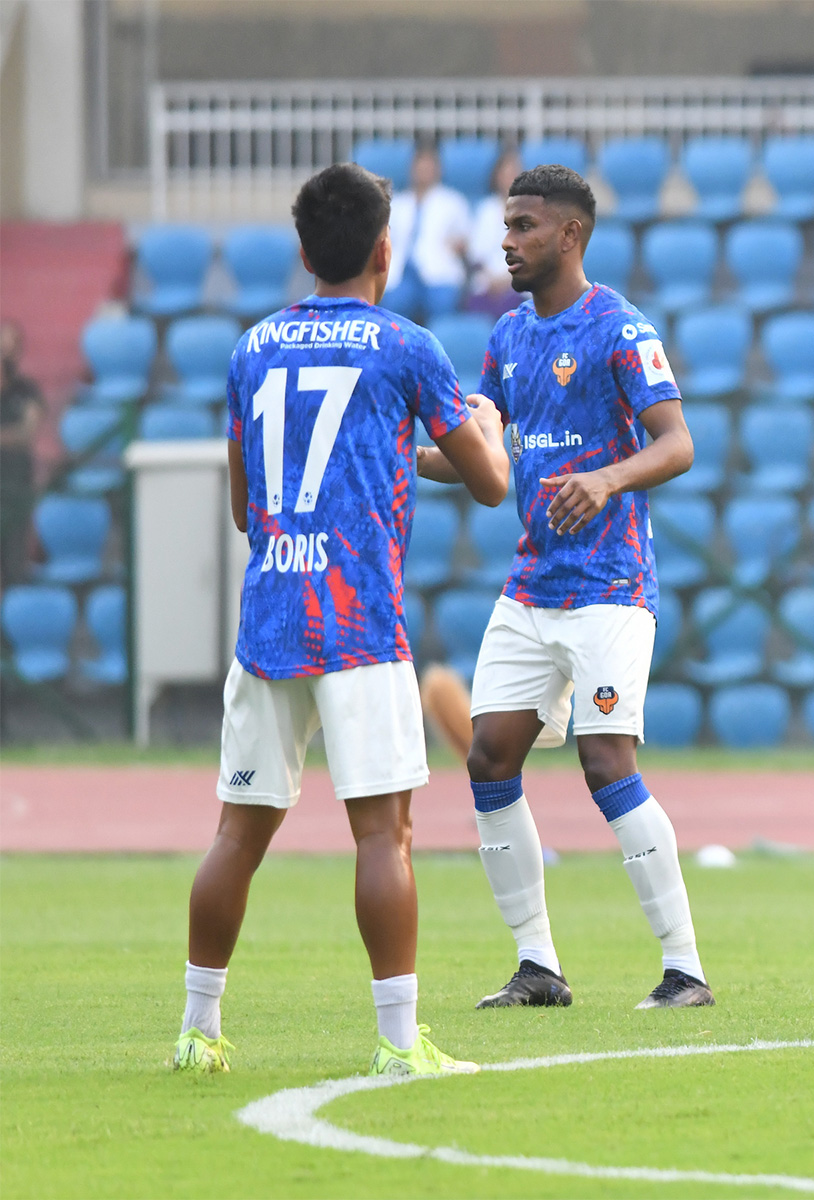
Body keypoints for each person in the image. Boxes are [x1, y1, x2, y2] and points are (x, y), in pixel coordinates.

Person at [172, 162, 511, 1076]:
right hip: (357, 623)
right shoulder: (406, 347)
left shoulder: (251, 350)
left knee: (236, 834)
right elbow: (489, 484)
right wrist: (484, 427)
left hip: (271, 618)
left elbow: (246, 507)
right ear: (384, 249)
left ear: (301, 252)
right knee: (383, 835)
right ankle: (400, 1045)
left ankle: (198, 1029)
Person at [417, 164, 710, 1011]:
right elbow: (482, 456)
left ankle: (685, 969)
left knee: (604, 759)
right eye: (506, 226)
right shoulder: (508, 336)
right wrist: (403, 454)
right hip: (533, 583)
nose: (505, 241)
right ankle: (538, 966)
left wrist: (610, 478)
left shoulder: (621, 328)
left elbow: (678, 442)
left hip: (612, 584)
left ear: (569, 235)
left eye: (523, 227)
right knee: (487, 756)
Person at [384, 142, 472, 323]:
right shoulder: (397, 204)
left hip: (438, 273)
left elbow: (467, 241)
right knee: (394, 307)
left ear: (438, 169)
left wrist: (459, 245)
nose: (424, 170)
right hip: (401, 274)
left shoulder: (453, 202)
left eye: (429, 166)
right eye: (420, 165)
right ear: (411, 169)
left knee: (441, 305)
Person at [0, 321, 44, 589]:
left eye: (9, 348)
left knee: (15, 564)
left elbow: (28, 432)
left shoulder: (27, 390)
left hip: (15, 487)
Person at [466, 149, 526, 318]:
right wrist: (491, 279)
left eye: (514, 173)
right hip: (487, 282)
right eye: (505, 174)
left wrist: (507, 280)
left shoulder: (530, 211)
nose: (509, 178)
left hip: (517, 283)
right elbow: (476, 253)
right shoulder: (486, 209)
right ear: (497, 176)